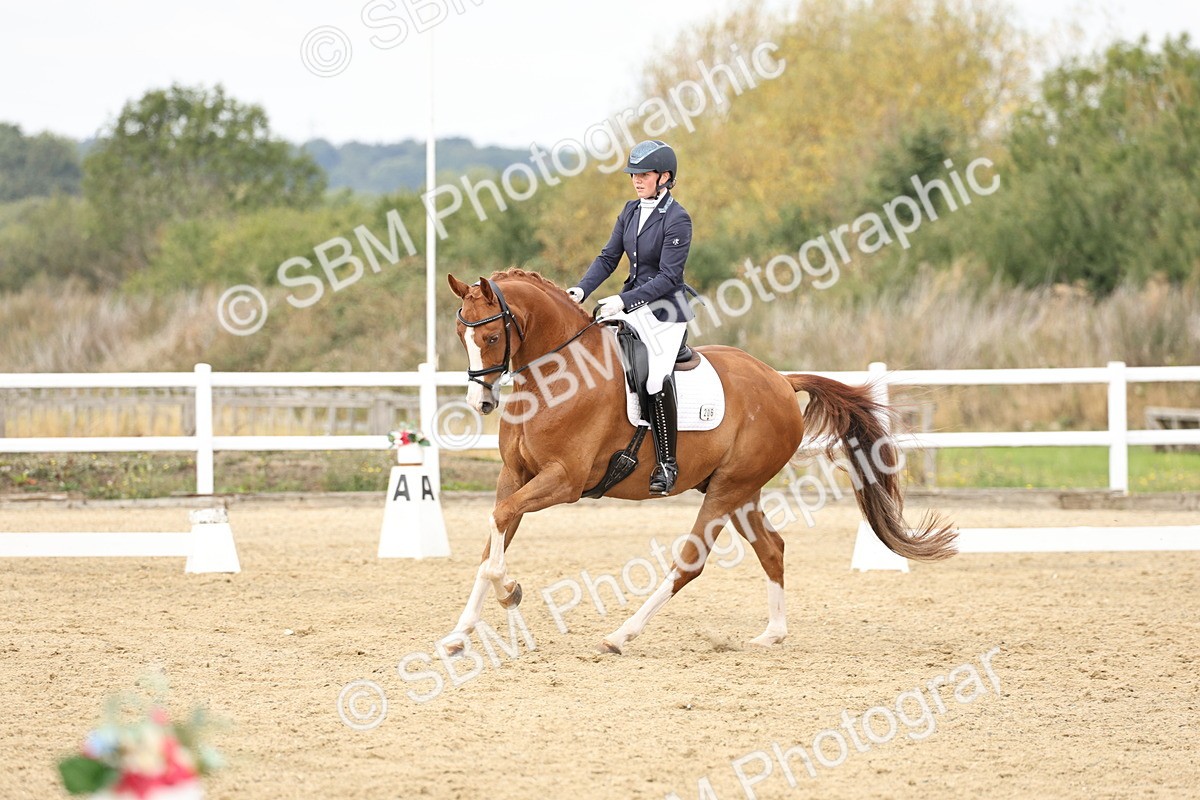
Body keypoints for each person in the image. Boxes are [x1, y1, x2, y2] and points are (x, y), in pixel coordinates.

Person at [568, 139, 694, 495]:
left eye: (644, 174)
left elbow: (669, 277)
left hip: (665, 311)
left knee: (654, 379)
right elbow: (609, 257)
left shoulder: (678, 218)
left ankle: (668, 463)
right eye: (634, 174)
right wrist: (581, 290)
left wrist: (623, 301)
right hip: (629, 306)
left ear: (665, 177)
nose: (637, 180)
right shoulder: (630, 210)